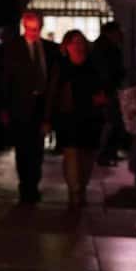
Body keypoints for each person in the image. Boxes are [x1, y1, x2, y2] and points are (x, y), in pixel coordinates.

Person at [0, 10, 59, 205]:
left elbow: (53, 78)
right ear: (24, 27)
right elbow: (5, 80)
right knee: (23, 149)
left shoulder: (49, 49)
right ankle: (26, 186)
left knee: (37, 149)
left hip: (41, 105)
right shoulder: (12, 48)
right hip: (20, 106)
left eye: (36, 28)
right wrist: (5, 108)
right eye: (30, 28)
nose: (33, 32)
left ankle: (33, 184)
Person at [48, 30, 106, 208]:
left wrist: (101, 97)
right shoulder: (61, 65)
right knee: (71, 153)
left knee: (87, 156)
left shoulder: (92, 65)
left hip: (90, 116)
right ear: (66, 46)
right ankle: (74, 191)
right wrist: (49, 117)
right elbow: (53, 91)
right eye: (74, 42)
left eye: (81, 42)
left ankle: (81, 186)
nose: (78, 46)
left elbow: (102, 86)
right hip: (69, 116)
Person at [93, 21, 129, 165]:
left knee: (112, 123)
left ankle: (108, 153)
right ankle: (105, 154)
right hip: (107, 90)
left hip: (108, 89)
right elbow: (106, 71)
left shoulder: (104, 47)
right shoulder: (106, 48)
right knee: (111, 123)